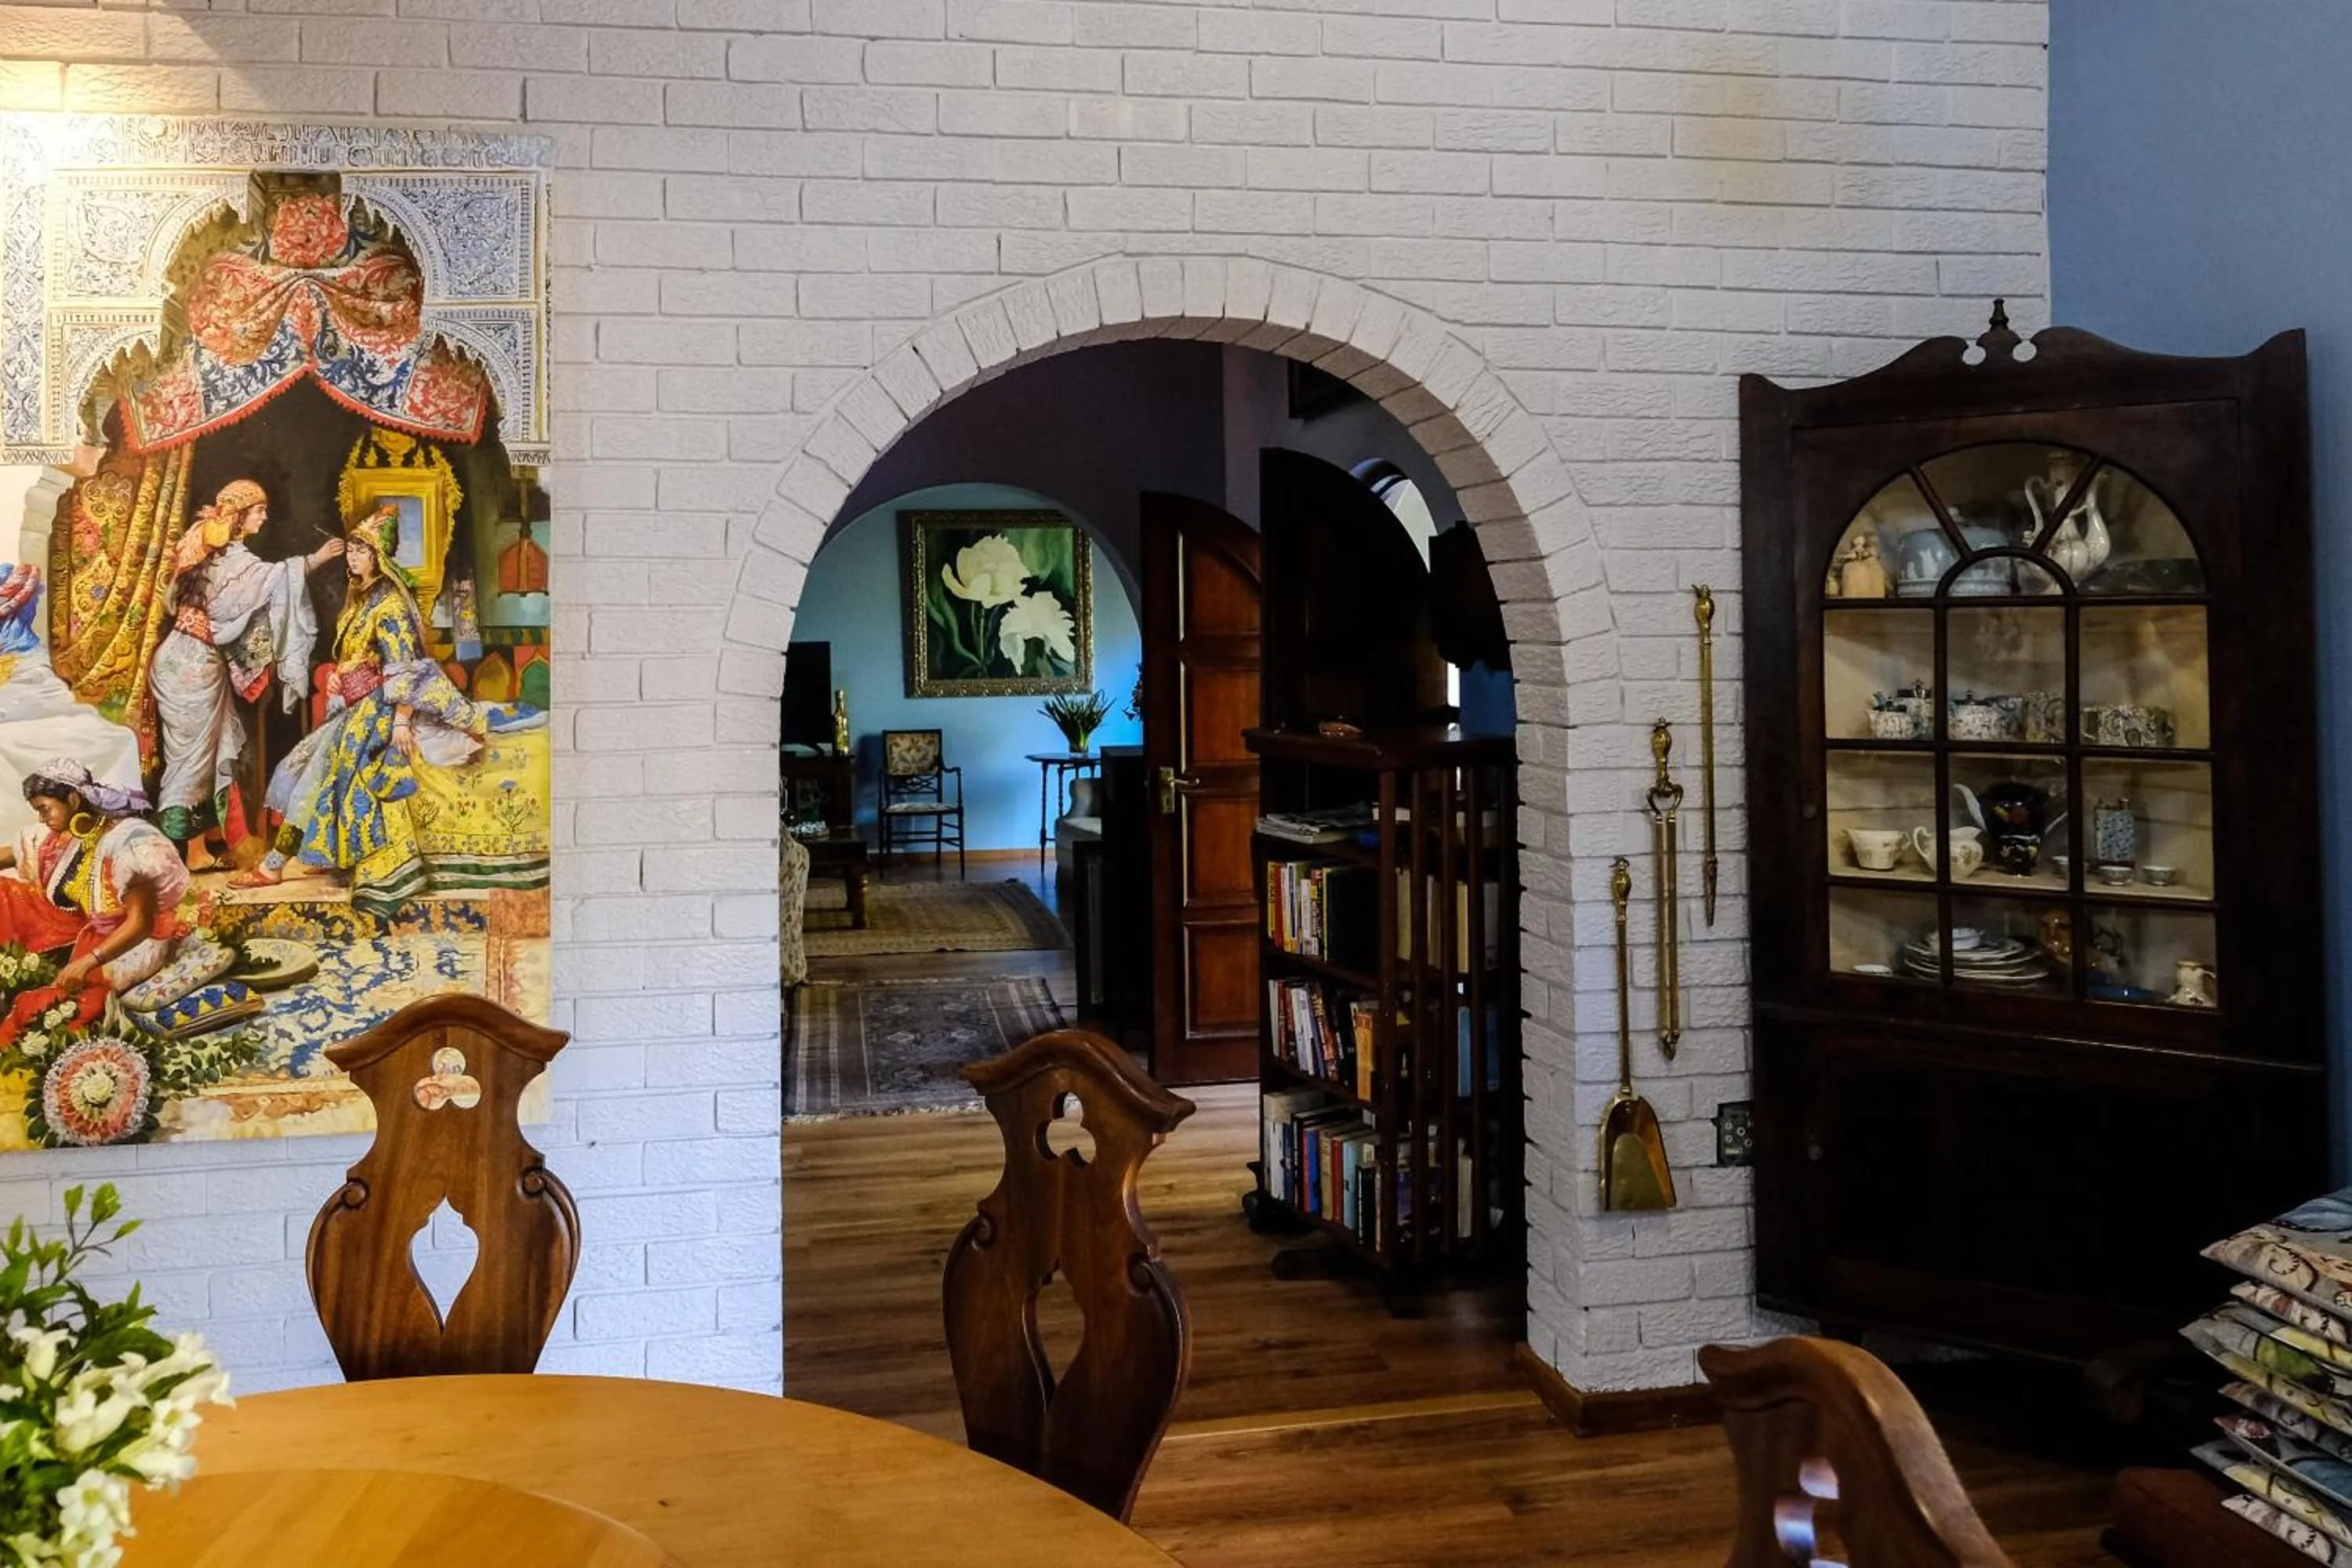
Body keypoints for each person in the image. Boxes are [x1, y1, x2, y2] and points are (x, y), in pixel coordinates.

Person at [234, 504, 495, 913]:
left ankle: (273, 865)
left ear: (378, 557)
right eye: (352, 549)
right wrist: (339, 676)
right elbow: (358, 655)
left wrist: (402, 721)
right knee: (298, 766)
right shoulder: (363, 598)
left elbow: (404, 667)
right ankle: (312, 856)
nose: (352, 557)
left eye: (361, 550)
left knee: (320, 772)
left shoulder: (390, 604)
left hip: (382, 707)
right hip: (355, 704)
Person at [150, 478, 343, 866]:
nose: (265, 517)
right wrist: (318, 558)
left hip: (180, 659)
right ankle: (184, 853)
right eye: (259, 510)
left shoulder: (207, 555)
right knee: (194, 761)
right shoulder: (233, 562)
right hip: (192, 665)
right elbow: (275, 581)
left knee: (205, 754)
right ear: (239, 517)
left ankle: (198, 849)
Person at [0, 760, 191, 992]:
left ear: (72, 799)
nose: (41, 819)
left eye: (44, 809)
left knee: (50, 1004)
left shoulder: (129, 843)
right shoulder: (60, 837)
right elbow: (10, 854)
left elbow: (141, 923)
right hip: (72, 929)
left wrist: (88, 961)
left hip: (123, 943)